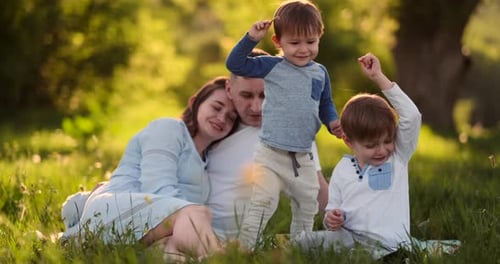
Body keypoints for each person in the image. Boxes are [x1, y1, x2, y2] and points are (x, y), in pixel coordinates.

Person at [61, 76, 238, 259]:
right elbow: (157, 186)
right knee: (196, 213)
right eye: (216, 107)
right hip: (117, 207)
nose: (222, 118)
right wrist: (192, 217)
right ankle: (222, 259)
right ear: (194, 103)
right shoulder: (169, 128)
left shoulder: (206, 162)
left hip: (155, 228)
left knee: (173, 253)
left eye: (231, 117)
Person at [225, 0, 341, 249]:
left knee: (308, 203)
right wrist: (251, 38)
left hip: (303, 157)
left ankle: (301, 246)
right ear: (278, 42)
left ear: (319, 37)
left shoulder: (320, 73)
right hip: (270, 155)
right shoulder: (272, 67)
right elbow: (235, 64)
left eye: (310, 42)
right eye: (294, 43)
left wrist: (333, 122)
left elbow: (325, 104)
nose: (303, 50)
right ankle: (245, 248)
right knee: (263, 201)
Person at [295, 53, 422, 259]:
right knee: (302, 241)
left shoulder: (397, 156)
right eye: (372, 145)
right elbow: (332, 211)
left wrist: (378, 77)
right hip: (350, 239)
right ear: (348, 141)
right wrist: (332, 219)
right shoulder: (343, 170)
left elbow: (412, 116)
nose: (382, 150)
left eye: (387, 141)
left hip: (391, 245)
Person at [207, 48, 330, 242]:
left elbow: (318, 191)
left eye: (265, 96)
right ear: (229, 89)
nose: (256, 107)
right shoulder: (215, 125)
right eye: (246, 96)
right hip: (197, 226)